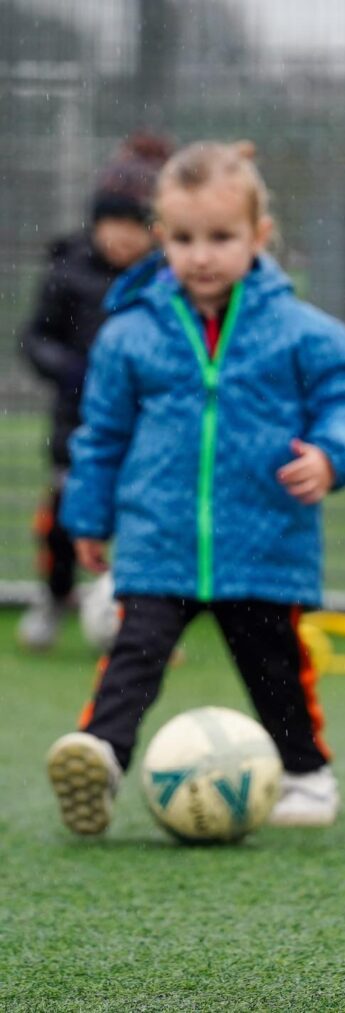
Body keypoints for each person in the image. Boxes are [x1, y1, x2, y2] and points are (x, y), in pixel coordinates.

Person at [46, 140, 345, 833]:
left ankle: (305, 773)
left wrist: (330, 454)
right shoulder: (130, 334)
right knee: (132, 656)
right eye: (185, 238)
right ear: (161, 237)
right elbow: (101, 433)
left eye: (222, 237)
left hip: (262, 541)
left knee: (275, 667)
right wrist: (85, 516)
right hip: (158, 540)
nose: (203, 255)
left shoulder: (299, 330)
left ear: (260, 237)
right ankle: (101, 760)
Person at [17, 132, 173, 650]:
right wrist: (71, 371)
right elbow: (34, 339)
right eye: (115, 224)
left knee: (144, 520)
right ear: (96, 221)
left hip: (146, 424)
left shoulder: (164, 281)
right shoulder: (68, 271)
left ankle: (140, 615)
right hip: (77, 423)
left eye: (137, 226)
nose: (125, 238)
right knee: (66, 516)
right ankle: (54, 595)